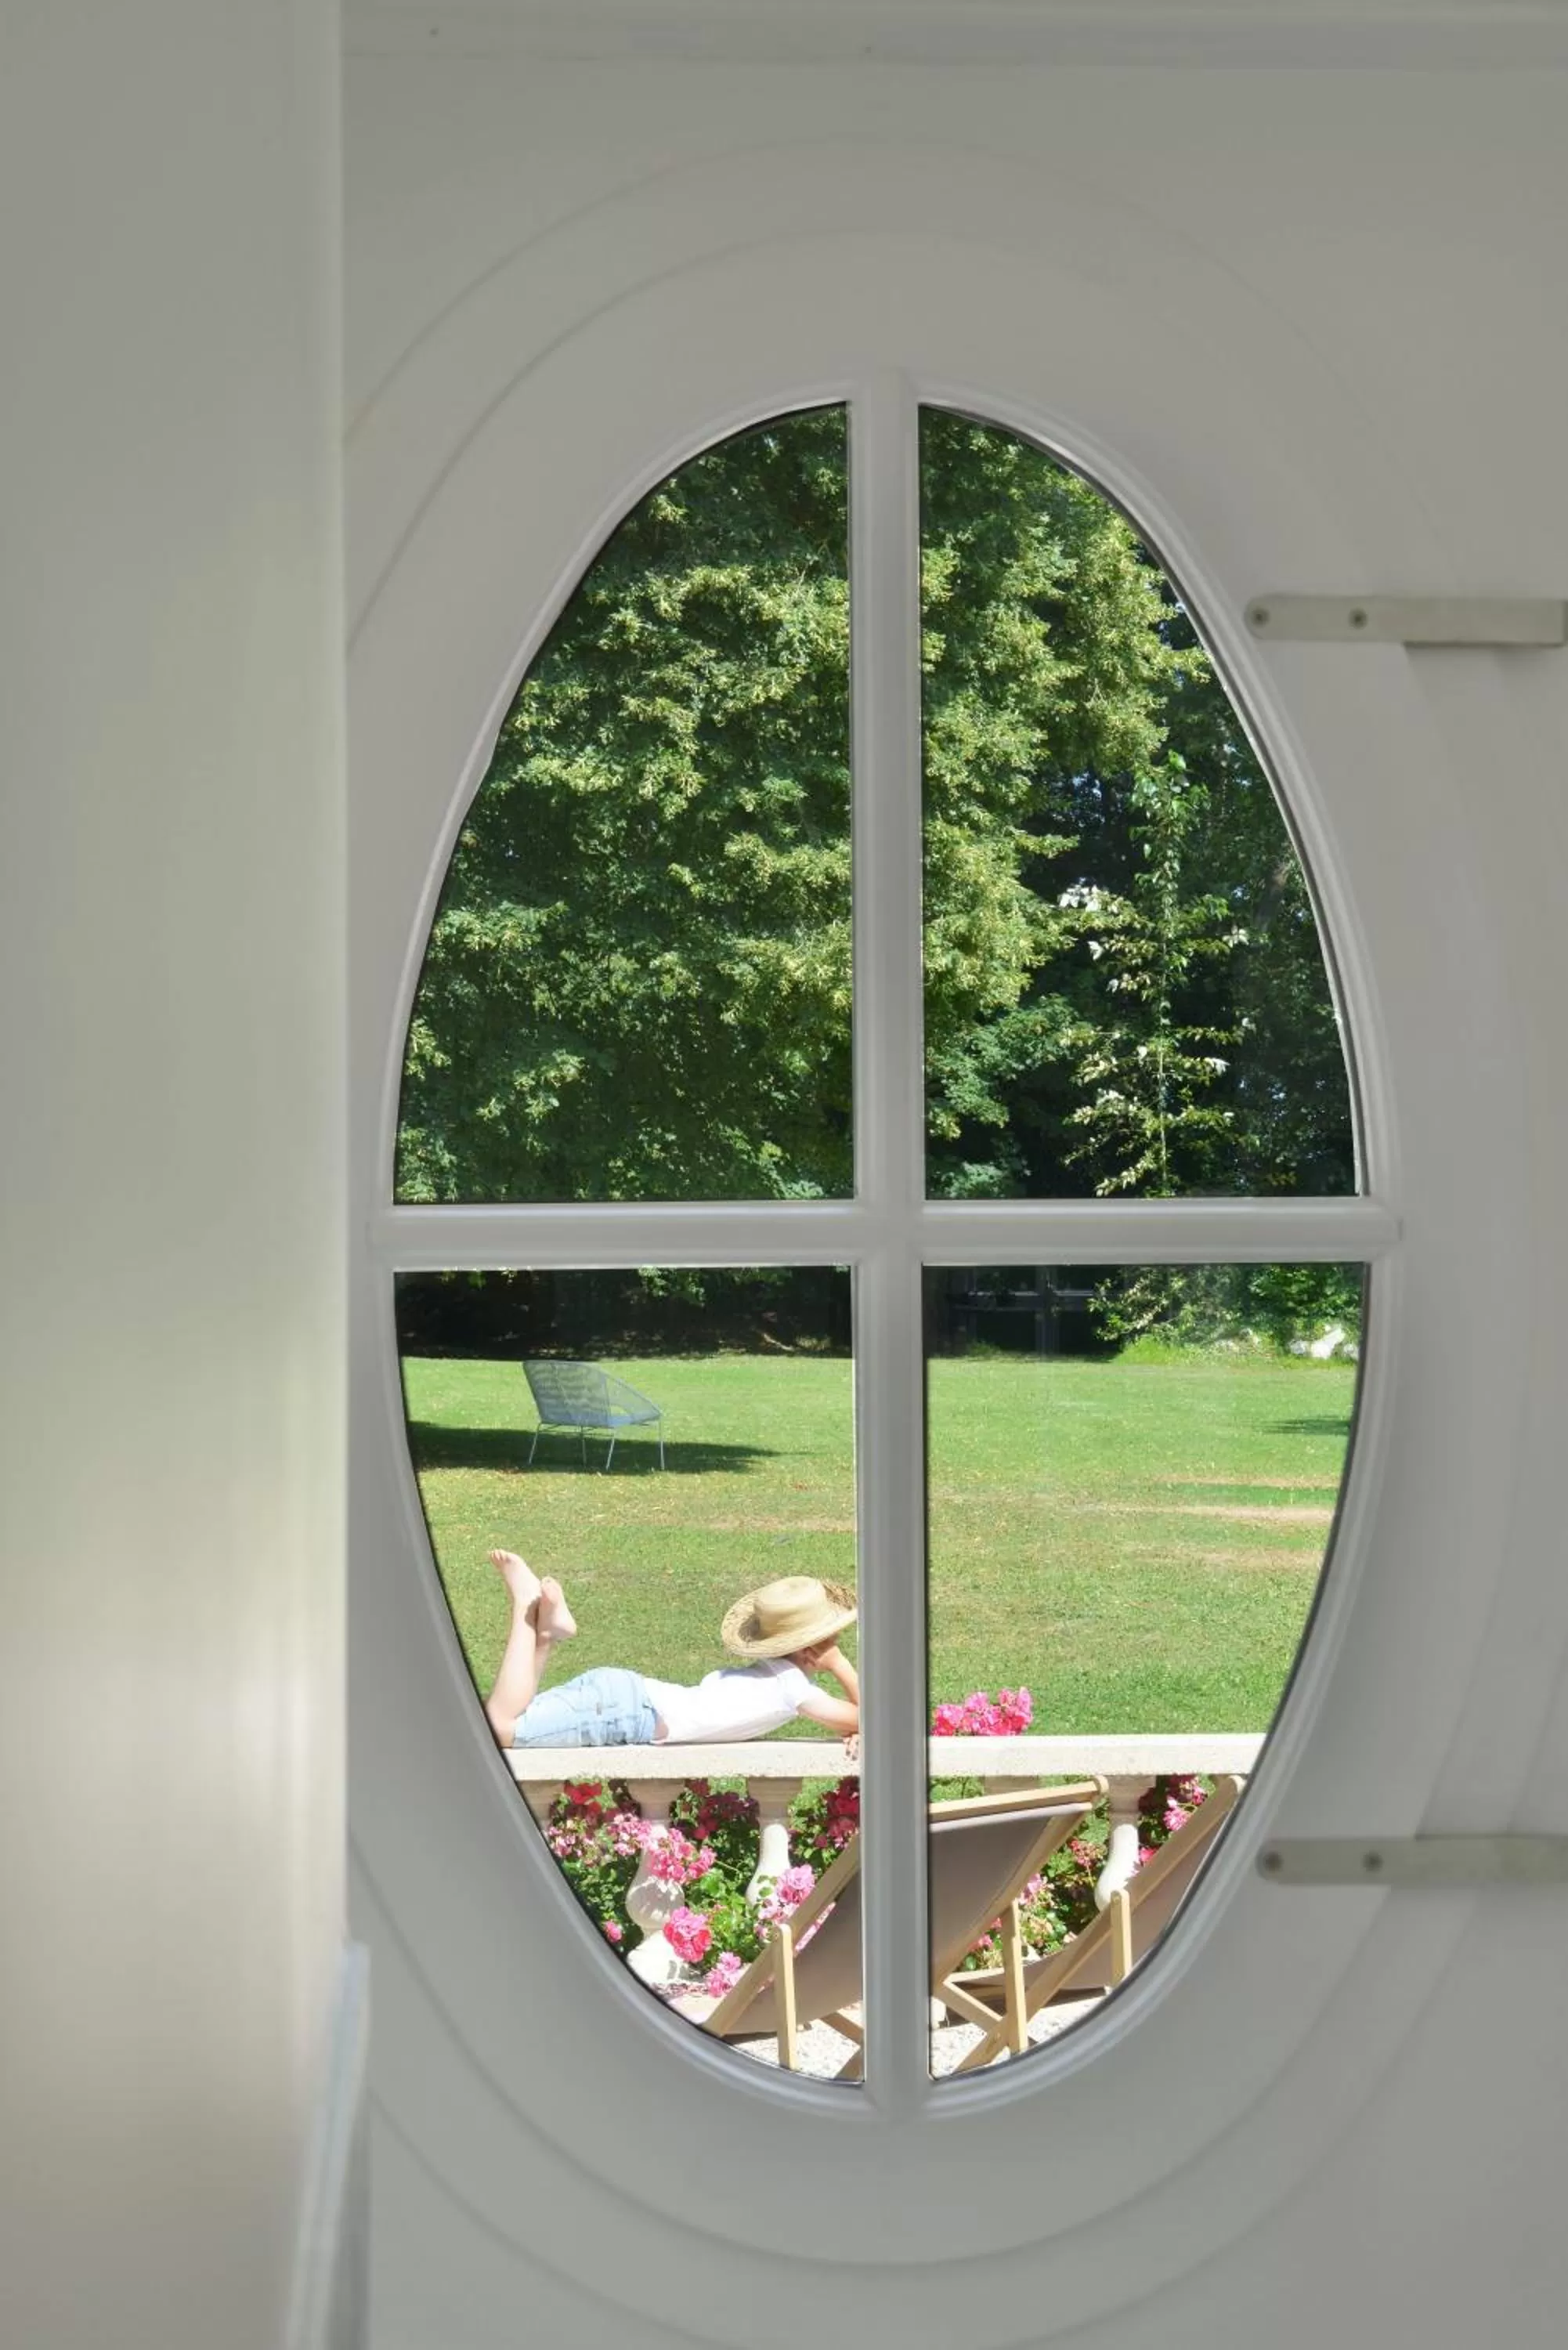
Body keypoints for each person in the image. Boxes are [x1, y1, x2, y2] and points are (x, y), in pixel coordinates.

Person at [482, 1551, 859, 1752]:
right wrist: (840, 1665)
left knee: (512, 1715)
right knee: (499, 1728)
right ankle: (526, 1607)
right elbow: (875, 1723)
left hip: (622, 1699)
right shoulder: (793, 1687)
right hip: (625, 1712)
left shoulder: (775, 1675)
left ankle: (547, 1632)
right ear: (813, 1646)